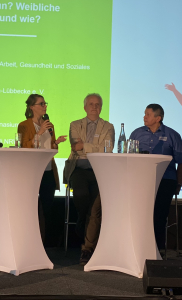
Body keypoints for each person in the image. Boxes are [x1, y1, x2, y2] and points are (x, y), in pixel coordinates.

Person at [63, 93, 115, 265]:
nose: (94, 107)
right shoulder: (75, 124)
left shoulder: (109, 126)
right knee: (82, 197)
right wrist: (93, 148)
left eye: (97, 104)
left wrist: (84, 145)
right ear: (85, 107)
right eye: (91, 104)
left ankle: (87, 249)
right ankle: (80, 219)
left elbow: (107, 149)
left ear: (101, 107)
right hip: (78, 169)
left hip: (100, 172)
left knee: (95, 211)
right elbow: (74, 147)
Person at [129, 104, 182, 252]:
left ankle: (158, 248)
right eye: (144, 114)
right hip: (140, 181)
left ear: (158, 118)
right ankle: (138, 246)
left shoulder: (173, 135)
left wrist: (179, 184)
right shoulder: (136, 133)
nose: (144, 117)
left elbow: (181, 162)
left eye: (148, 114)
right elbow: (128, 157)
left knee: (159, 215)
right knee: (140, 214)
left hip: (165, 180)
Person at [17, 94, 67, 243]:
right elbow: (24, 146)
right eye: (41, 103)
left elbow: (50, 148)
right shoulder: (24, 125)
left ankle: (43, 242)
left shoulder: (49, 125)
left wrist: (56, 142)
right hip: (32, 171)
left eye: (45, 103)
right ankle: (29, 240)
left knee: (47, 207)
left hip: (48, 170)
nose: (45, 106)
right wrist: (39, 133)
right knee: (31, 208)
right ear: (32, 107)